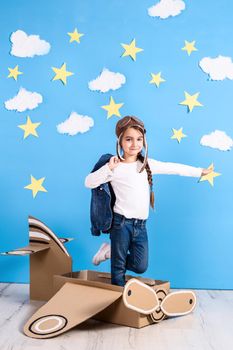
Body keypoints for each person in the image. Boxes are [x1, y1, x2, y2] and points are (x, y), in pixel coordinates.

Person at [85, 116, 212, 286]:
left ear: (144, 141)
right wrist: (108, 168)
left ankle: (109, 253)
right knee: (118, 269)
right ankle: (119, 304)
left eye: (139, 139)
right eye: (129, 139)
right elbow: (89, 182)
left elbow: (173, 168)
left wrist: (199, 171)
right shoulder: (114, 166)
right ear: (120, 141)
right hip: (120, 224)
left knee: (140, 265)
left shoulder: (147, 165)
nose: (134, 144)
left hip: (141, 226)